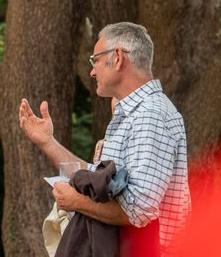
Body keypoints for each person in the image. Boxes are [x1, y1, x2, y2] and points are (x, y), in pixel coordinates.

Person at [19, 22, 191, 256]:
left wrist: (76, 202)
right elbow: (100, 181)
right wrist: (48, 142)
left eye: (96, 60)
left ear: (118, 57)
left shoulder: (150, 115)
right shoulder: (135, 114)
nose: (92, 71)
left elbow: (138, 211)